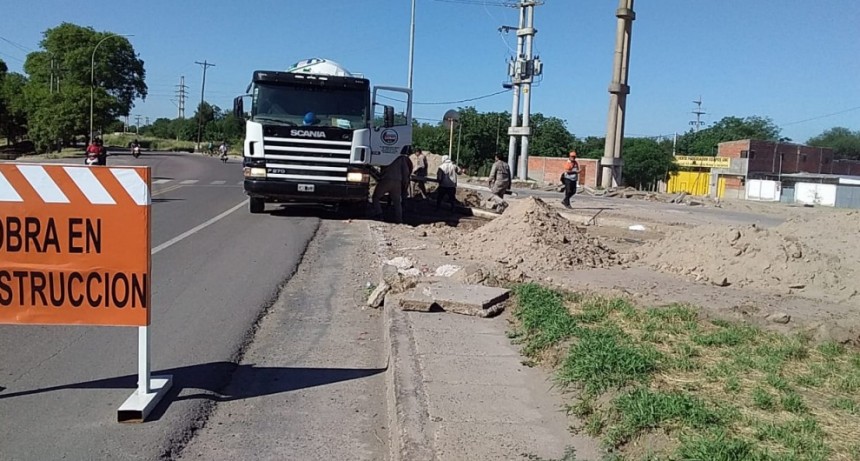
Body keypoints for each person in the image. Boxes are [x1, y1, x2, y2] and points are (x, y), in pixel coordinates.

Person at [371, 153, 412, 224]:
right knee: (397, 202)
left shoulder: (384, 153)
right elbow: (406, 172)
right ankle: (399, 220)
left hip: (385, 180)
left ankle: (379, 215)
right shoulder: (401, 157)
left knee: (375, 197)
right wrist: (405, 184)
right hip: (397, 181)